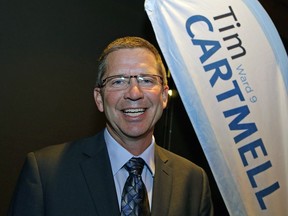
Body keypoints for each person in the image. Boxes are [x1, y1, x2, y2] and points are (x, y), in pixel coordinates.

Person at [8, 36, 214, 216]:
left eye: (146, 79)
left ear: (163, 95)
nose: (134, 93)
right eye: (118, 81)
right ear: (99, 98)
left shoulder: (193, 181)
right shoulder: (45, 174)